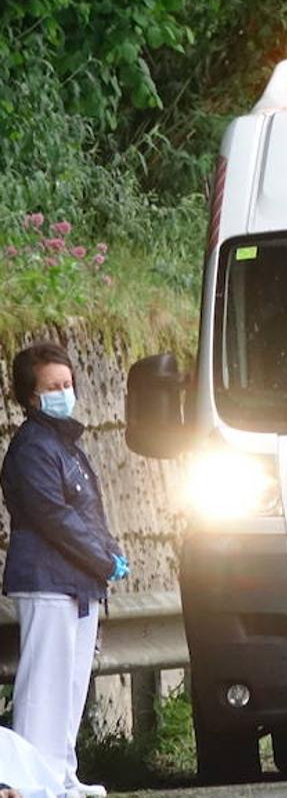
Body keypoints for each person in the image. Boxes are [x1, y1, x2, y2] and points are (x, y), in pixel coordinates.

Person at [2, 342, 130, 798]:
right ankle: (28, 781)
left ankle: (60, 776)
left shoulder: (65, 445)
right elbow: (53, 516)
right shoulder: (33, 448)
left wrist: (109, 550)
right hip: (47, 581)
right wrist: (102, 557)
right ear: (31, 397)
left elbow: (88, 513)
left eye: (68, 383)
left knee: (71, 685)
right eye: (53, 386)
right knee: (44, 686)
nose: (64, 392)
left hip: (76, 582)